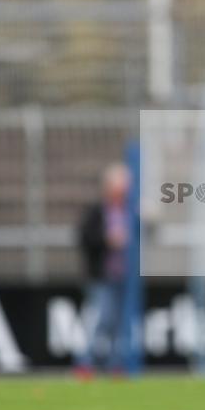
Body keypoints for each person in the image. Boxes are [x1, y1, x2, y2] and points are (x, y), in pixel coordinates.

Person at [75, 162, 132, 378]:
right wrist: (107, 240)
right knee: (101, 319)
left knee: (118, 323)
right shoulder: (97, 212)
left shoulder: (130, 211)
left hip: (123, 276)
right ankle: (85, 362)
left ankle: (115, 365)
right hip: (101, 276)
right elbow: (84, 238)